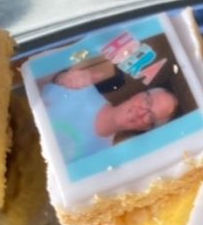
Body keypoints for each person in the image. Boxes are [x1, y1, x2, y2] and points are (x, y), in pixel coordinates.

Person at [41, 62, 179, 163]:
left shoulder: (101, 159)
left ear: (145, 128)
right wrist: (59, 77)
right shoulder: (81, 89)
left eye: (151, 117)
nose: (141, 112)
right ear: (138, 95)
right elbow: (32, 80)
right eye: (148, 102)